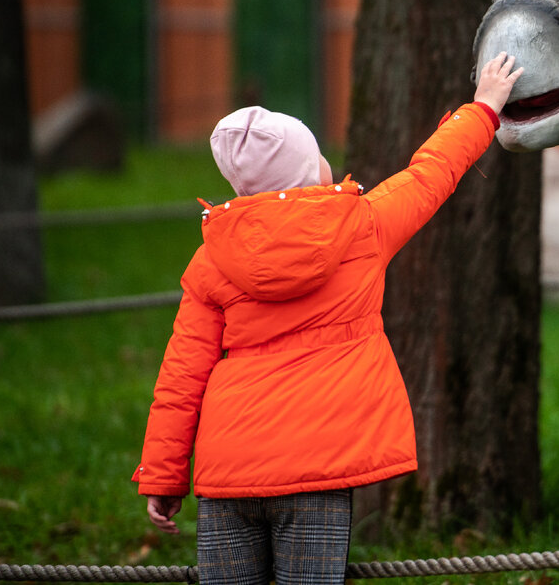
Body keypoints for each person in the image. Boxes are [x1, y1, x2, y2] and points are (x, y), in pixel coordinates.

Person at [133, 52, 523, 585]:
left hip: (228, 476)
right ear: (306, 168)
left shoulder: (210, 260)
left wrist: (163, 474)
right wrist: (483, 108)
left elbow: (181, 376)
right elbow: (432, 172)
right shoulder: (364, 227)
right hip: (321, 470)